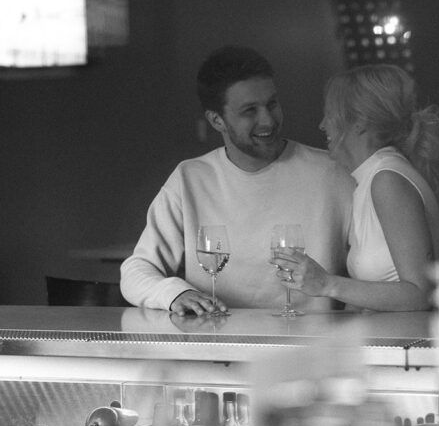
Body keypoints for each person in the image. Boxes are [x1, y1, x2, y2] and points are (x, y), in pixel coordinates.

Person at [120, 46, 354, 315]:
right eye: (250, 111)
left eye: (272, 104)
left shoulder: (333, 172)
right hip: (219, 346)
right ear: (217, 120)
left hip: (315, 348)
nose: (267, 120)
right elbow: (136, 271)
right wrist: (175, 293)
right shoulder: (190, 179)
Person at [273, 63, 439, 312]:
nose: (323, 125)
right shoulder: (371, 177)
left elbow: (420, 294)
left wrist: (327, 285)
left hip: (406, 347)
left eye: (331, 115)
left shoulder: (387, 180)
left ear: (359, 123)